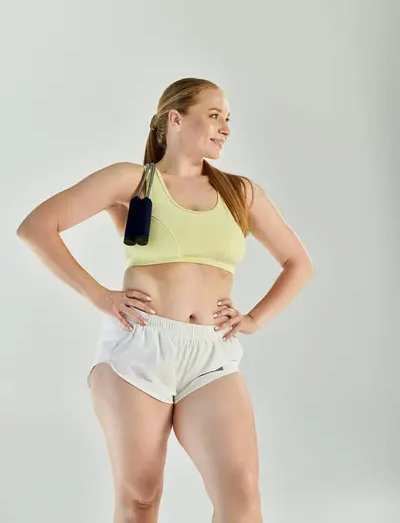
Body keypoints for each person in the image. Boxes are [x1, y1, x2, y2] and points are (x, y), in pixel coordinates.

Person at [17, 77, 314, 523]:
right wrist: (101, 296)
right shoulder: (133, 181)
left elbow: (298, 262)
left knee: (242, 497)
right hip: (139, 349)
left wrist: (254, 318)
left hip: (210, 354)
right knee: (140, 496)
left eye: (228, 119)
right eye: (213, 115)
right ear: (175, 119)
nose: (225, 128)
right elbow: (38, 226)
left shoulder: (241, 193)